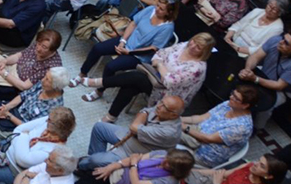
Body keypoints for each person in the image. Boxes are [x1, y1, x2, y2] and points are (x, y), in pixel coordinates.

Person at [75, 33, 214, 122]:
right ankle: (111, 115)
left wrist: (160, 66)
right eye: (194, 41)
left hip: (168, 95)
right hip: (154, 78)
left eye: (198, 47)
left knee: (137, 78)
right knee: (131, 84)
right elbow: (159, 54)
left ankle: (100, 84)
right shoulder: (184, 45)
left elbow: (171, 82)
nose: (193, 46)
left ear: (204, 51)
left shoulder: (197, 68)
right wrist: (161, 65)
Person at [74, 0, 180, 103]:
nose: (157, 9)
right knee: (98, 48)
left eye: (161, 9)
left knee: (110, 67)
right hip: (127, 42)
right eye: (158, 5)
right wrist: (122, 41)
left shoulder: (167, 28)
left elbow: (153, 49)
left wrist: (129, 52)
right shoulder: (150, 10)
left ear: (169, 13)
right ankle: (82, 73)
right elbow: (133, 24)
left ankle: (99, 91)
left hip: (138, 55)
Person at [79, 96, 185, 171]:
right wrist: (141, 118)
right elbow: (144, 111)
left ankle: (83, 166)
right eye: (161, 102)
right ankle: (92, 164)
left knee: (94, 160)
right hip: (129, 136)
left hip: (133, 153)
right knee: (100, 127)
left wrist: (138, 124)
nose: (158, 106)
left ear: (173, 115)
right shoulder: (161, 110)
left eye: (164, 106)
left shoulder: (170, 132)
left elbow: (134, 127)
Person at [0, 66, 67, 142]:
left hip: (19, 126)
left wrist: (8, 116)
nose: (43, 80)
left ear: (55, 87)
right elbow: (23, 95)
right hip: (15, 109)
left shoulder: (53, 110)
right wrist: (7, 107)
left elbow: (29, 129)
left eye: (47, 80)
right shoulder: (43, 85)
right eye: (45, 76)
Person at [180, 84, 257, 168]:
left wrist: (185, 128)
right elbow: (202, 117)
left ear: (245, 105)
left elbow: (208, 139)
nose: (231, 97)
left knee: (168, 132)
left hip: (204, 154)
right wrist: (179, 119)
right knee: (169, 123)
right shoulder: (228, 105)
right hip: (198, 132)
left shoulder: (241, 127)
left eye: (236, 98)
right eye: (233, 94)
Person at [238, 31, 291, 117]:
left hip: (283, 90)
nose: (281, 42)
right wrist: (247, 70)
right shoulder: (276, 40)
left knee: (265, 107)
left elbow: (279, 85)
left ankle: (258, 128)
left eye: (286, 43)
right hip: (265, 74)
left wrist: (255, 79)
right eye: (283, 38)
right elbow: (255, 56)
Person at [74, 149, 195, 184]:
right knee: (98, 172)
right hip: (122, 174)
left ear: (176, 169)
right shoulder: (162, 154)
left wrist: (133, 165)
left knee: (93, 178)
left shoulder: (168, 182)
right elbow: (134, 158)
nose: (164, 160)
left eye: (169, 163)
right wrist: (112, 166)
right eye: (167, 158)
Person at [2, 107, 77, 184]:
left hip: (12, 169)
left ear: (59, 128)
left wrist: (24, 136)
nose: (46, 120)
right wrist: (22, 143)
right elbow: (17, 130)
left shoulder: (52, 151)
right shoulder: (49, 121)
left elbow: (22, 160)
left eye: (49, 120)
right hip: (7, 148)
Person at [183, 155, 287, 184]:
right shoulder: (249, 166)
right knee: (182, 171)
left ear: (268, 176)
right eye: (259, 161)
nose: (256, 164)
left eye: (262, 166)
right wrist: (190, 170)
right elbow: (221, 174)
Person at [12, 146, 77, 184]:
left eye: (50, 160)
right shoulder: (53, 168)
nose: (45, 161)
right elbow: (25, 172)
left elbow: (26, 174)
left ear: (60, 170)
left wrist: (27, 177)